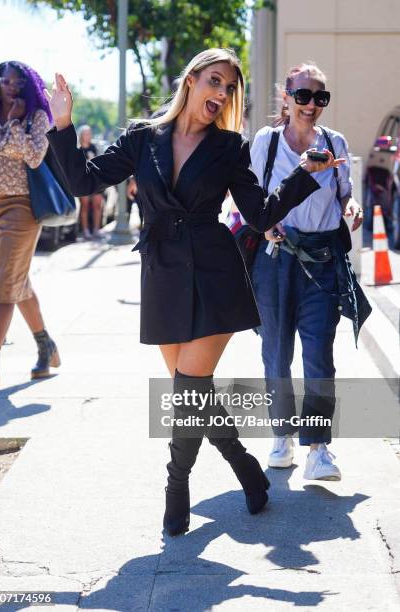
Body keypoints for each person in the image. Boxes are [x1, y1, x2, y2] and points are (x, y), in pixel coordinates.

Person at [44, 49, 342, 536]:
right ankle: (246, 467)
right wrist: (63, 123)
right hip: (162, 274)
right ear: (191, 80)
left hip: (215, 274)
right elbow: (83, 181)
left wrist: (303, 176)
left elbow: (262, 214)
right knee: (193, 394)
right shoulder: (142, 137)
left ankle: (176, 486)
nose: (221, 93)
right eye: (215, 81)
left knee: (186, 390)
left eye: (229, 87)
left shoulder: (229, 147)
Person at [250, 61, 367, 481]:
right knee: (276, 352)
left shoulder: (335, 142)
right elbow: (249, 197)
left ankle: (318, 448)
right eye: (303, 95)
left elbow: (344, 196)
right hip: (277, 260)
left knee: (320, 355)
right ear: (287, 96)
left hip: (321, 262)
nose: (311, 104)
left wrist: (350, 210)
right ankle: (281, 436)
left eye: (320, 97)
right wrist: (266, 221)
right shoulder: (266, 142)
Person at [0, 60, 60, 394]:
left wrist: (14, 122)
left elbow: (35, 156)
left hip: (21, 208)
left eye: (18, 82)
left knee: (5, 285)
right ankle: (46, 346)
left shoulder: (35, 118)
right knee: (15, 281)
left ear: (28, 87)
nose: (11, 87)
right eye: (5, 81)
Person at [77, 124, 104, 239]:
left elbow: (100, 161)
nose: (88, 136)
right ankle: (85, 230)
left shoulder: (95, 147)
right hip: (83, 181)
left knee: (98, 205)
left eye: (89, 134)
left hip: (95, 180)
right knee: (85, 206)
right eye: (85, 134)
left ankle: (96, 230)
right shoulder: (78, 149)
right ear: (81, 135)